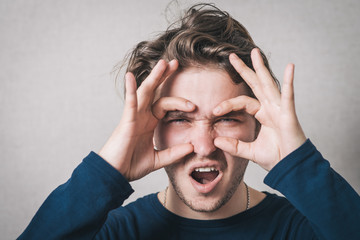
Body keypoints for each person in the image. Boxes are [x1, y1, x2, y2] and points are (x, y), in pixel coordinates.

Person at [18, 4, 360, 240]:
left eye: (226, 118)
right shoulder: (115, 232)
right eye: (180, 118)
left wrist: (299, 164)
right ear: (151, 130)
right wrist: (107, 171)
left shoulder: (304, 228)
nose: (204, 145)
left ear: (256, 126)